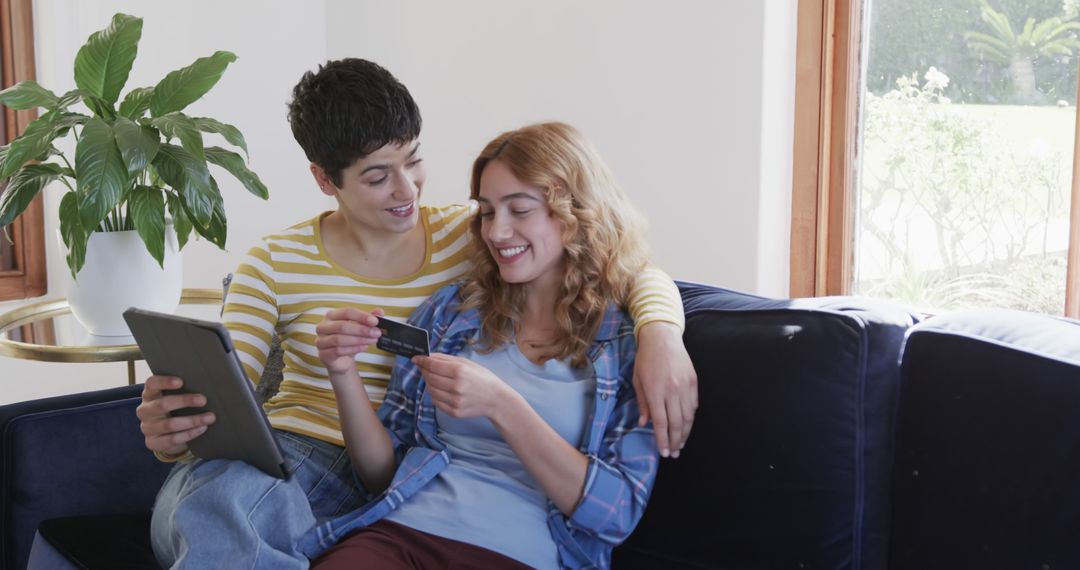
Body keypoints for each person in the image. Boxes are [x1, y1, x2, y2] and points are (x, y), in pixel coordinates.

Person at [136, 59, 694, 568]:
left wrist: (661, 332)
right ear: (325, 180)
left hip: (384, 476)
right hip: (300, 455)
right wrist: (171, 430)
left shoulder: (471, 237)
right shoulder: (276, 262)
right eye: (378, 177)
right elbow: (226, 394)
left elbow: (615, 261)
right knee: (212, 498)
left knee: (216, 510)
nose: (407, 191)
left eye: (414, 160)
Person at [309, 121, 658, 569]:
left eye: (520, 209)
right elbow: (382, 475)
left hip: (518, 553)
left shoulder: (622, 345)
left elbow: (616, 515)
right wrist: (342, 372)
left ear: (575, 212)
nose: (496, 232)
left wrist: (503, 405)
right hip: (401, 534)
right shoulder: (452, 312)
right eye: (488, 211)